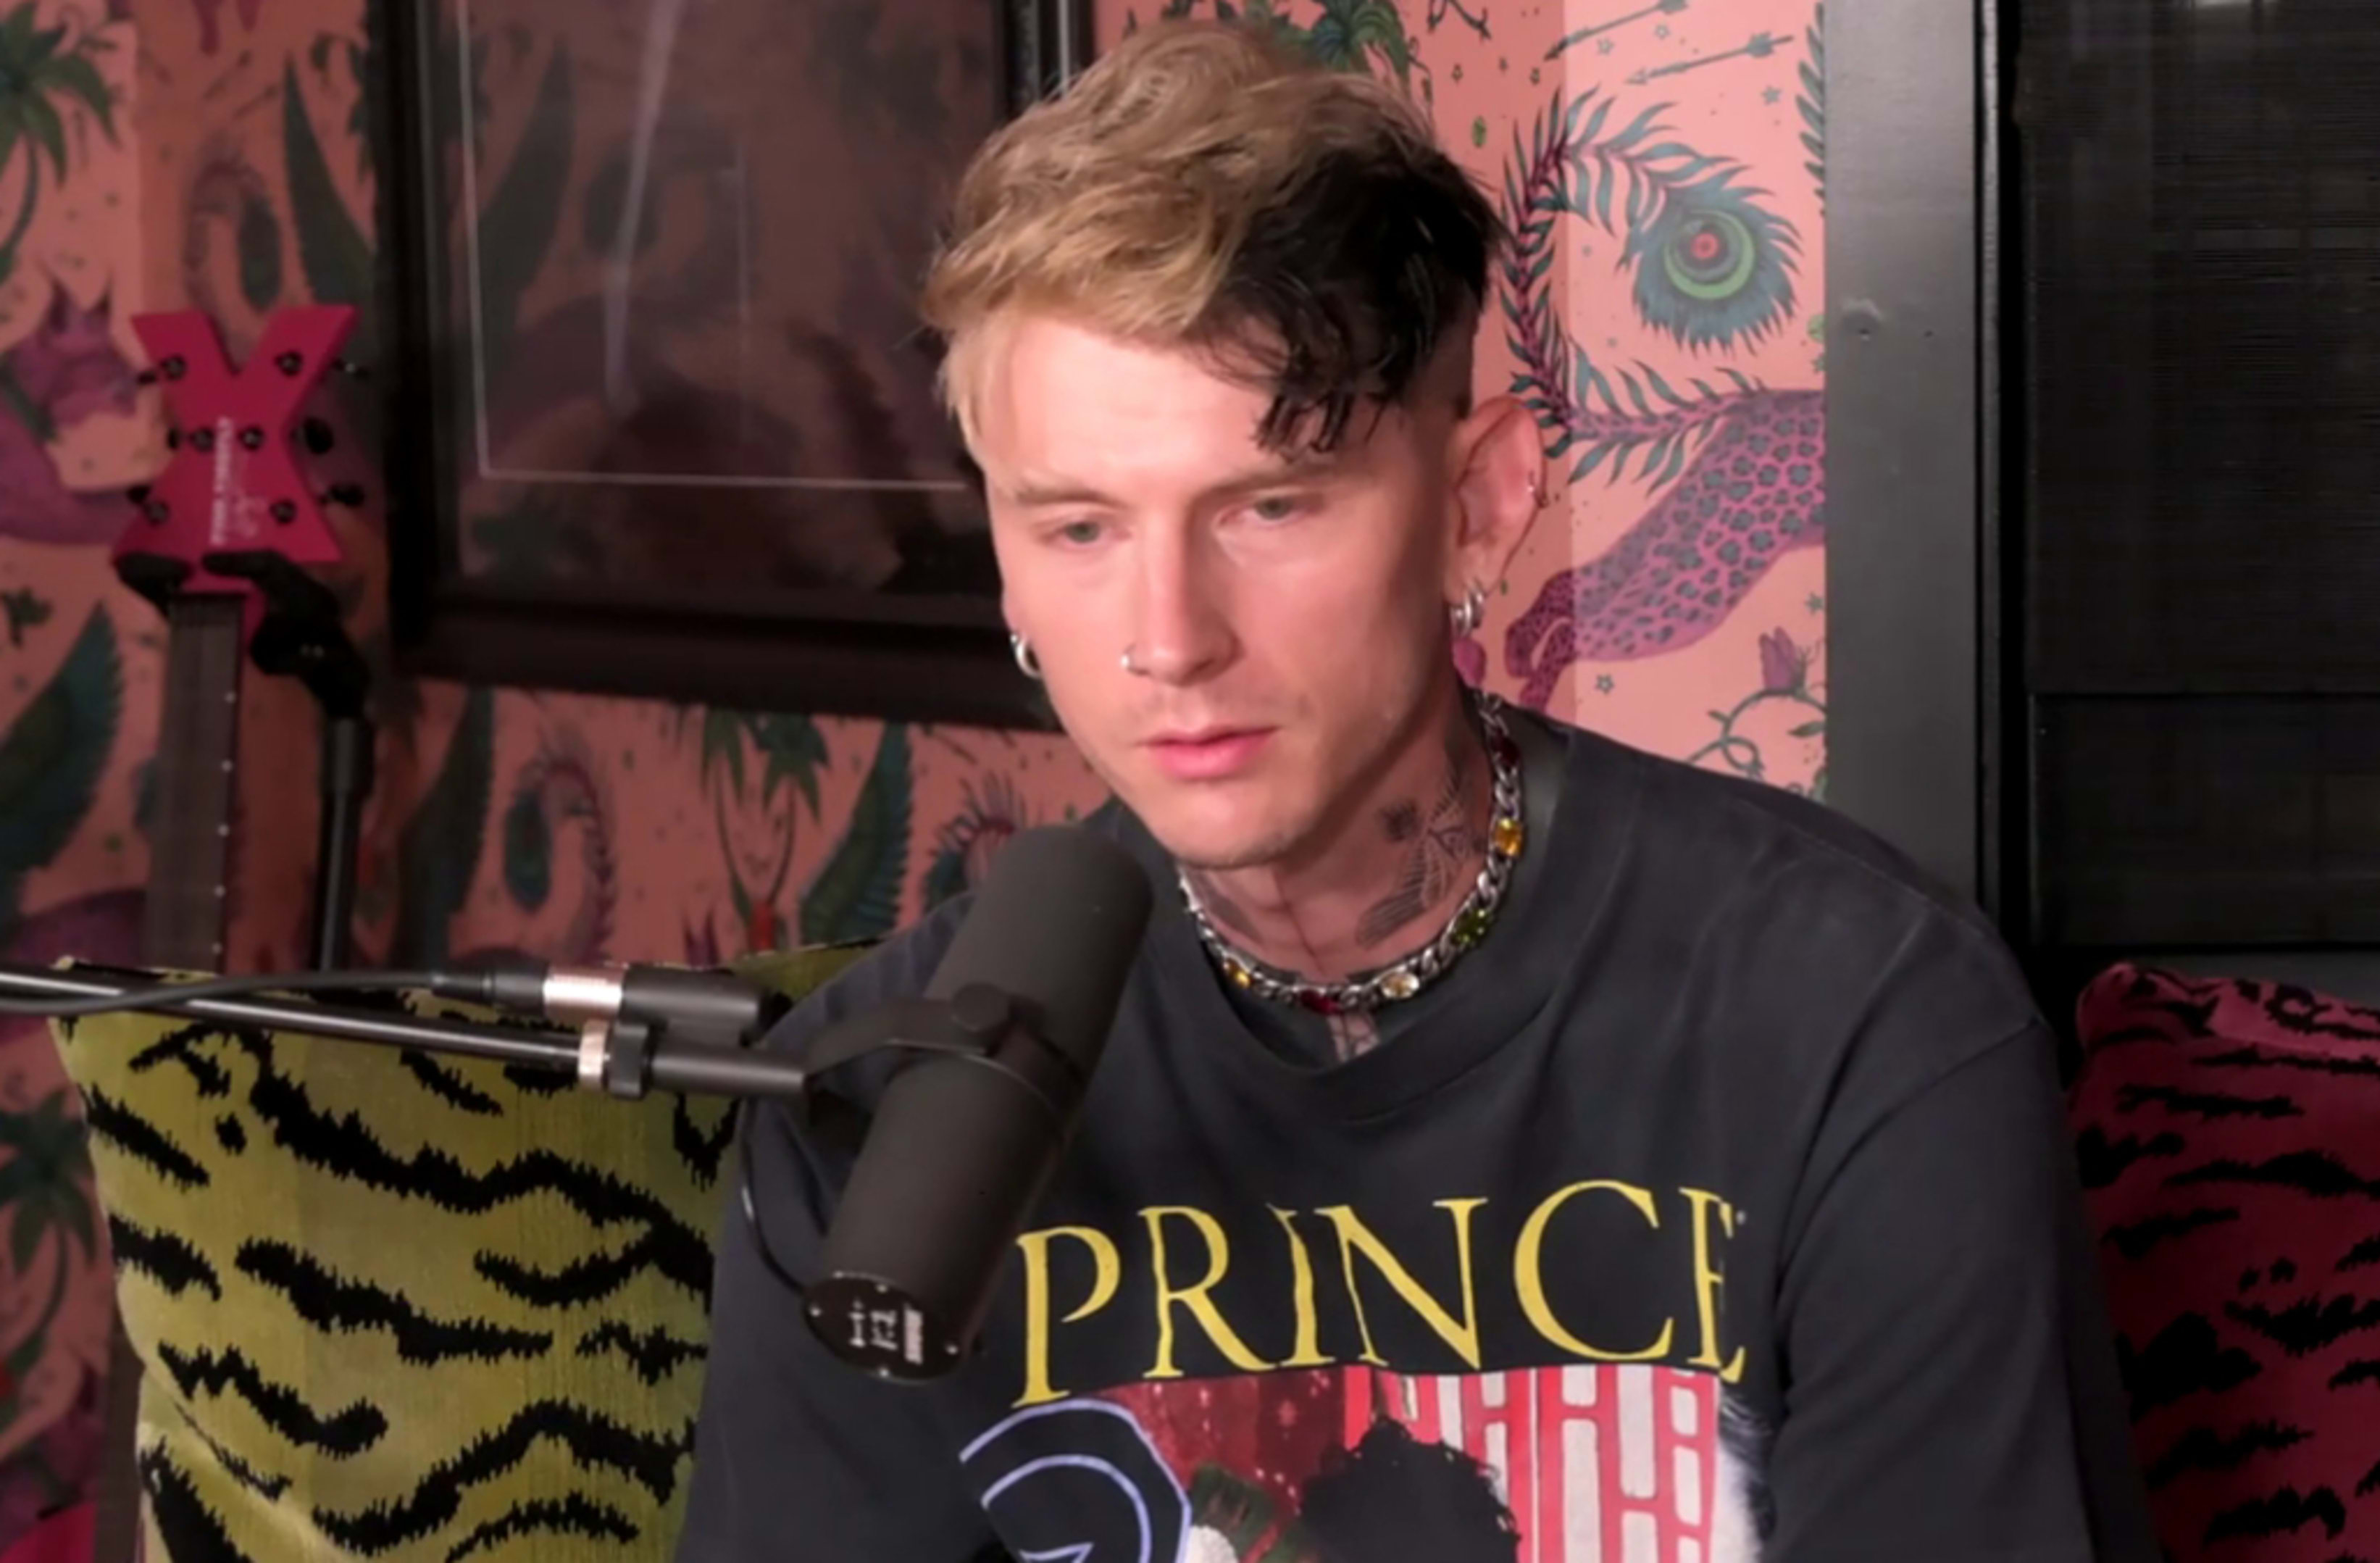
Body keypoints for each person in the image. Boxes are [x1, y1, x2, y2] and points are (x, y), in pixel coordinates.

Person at [678, 20, 2156, 1562]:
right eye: (1081, 528)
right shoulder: (882, 1106)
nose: (1169, 640)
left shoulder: (1863, 1021)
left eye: (1269, 505)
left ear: (1480, 503)